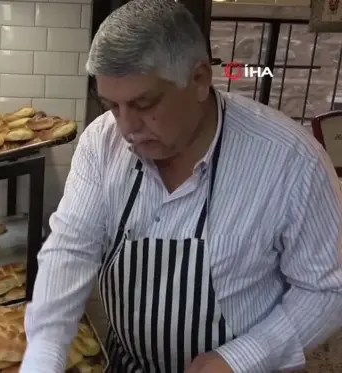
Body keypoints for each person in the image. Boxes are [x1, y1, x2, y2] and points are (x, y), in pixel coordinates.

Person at [18, 0, 342, 372]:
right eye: (112, 105)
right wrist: (45, 350)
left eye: (144, 103)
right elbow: (71, 249)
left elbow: (327, 290)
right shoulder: (101, 142)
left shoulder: (290, 160)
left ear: (199, 79)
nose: (126, 127)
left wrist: (244, 357)